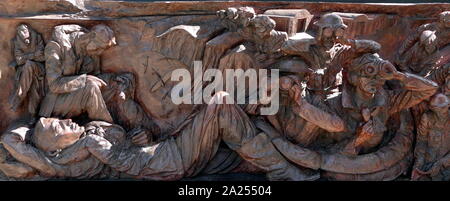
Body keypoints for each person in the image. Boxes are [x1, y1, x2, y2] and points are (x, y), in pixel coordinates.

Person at [2, 92, 314, 181]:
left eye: (60, 120)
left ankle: (294, 164)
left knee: (242, 154)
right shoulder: (66, 160)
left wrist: (138, 136)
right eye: (58, 128)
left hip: (161, 154)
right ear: (54, 151)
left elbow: (125, 154)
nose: (67, 121)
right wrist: (27, 131)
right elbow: (9, 141)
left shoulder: (88, 137)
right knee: (219, 103)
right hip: (168, 160)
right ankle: (285, 173)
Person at [39, 24, 117, 123]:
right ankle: (106, 126)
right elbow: (54, 85)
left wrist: (113, 80)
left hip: (79, 97)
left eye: (103, 49)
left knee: (119, 83)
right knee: (91, 87)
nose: (100, 52)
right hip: (55, 102)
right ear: (91, 36)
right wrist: (84, 79)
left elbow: (96, 77)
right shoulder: (55, 47)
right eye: (99, 48)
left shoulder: (92, 51)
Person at [9, 24, 46, 116]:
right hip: (24, 71)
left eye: (24, 31)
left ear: (28, 30)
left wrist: (26, 57)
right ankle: (33, 115)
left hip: (39, 69)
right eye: (20, 32)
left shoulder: (37, 37)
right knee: (33, 85)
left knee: (29, 65)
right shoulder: (16, 42)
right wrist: (33, 55)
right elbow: (19, 60)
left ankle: (19, 96)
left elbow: (42, 56)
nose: (23, 33)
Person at [412, 94, 450, 181]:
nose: (440, 112)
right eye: (435, 109)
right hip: (429, 162)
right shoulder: (427, 118)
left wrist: (441, 163)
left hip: (446, 164)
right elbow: (421, 140)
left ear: (448, 106)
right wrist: (419, 162)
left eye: (443, 109)